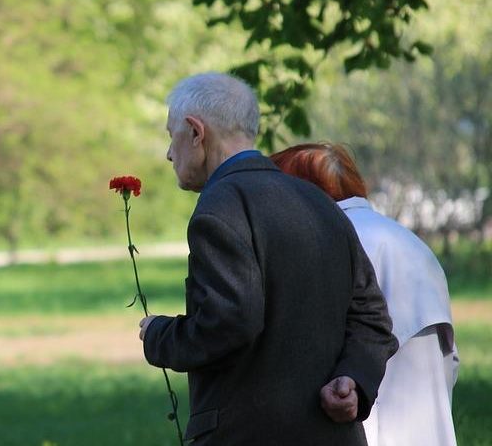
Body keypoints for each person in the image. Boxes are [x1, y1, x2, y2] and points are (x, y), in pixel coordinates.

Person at [138, 72, 398, 445]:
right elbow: (372, 315)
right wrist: (354, 379)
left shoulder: (220, 207)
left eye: (171, 135)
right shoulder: (319, 202)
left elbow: (230, 321)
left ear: (196, 132)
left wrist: (159, 336)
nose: (168, 153)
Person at [271, 143, 458, 446]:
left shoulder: (325, 243)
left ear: (301, 192)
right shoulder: (411, 242)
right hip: (427, 429)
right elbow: (451, 360)